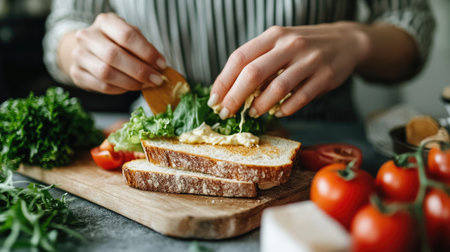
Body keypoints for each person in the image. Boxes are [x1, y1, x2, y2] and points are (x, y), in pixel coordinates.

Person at [43, 0, 435, 121]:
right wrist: (75, 49)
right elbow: (67, 23)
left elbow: (410, 24)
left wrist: (359, 40)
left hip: (319, 141)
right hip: (162, 132)